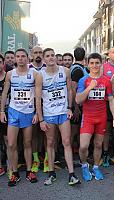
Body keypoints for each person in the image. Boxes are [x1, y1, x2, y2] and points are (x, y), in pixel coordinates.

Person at [35, 48, 80, 186]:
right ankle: (51, 173)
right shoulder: (40, 75)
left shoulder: (65, 71)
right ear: (43, 59)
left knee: (66, 142)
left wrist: (69, 107)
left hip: (62, 113)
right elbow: (37, 99)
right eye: (47, 56)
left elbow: (70, 90)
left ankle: (71, 174)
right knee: (50, 143)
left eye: (52, 55)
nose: (50, 58)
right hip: (49, 114)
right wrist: (41, 119)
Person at [76, 53, 114, 181]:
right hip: (88, 117)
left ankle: (95, 167)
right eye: (92, 63)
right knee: (83, 146)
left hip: (102, 117)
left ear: (101, 64)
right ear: (87, 64)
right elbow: (78, 100)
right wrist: (89, 88)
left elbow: (110, 100)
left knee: (98, 144)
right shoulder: (84, 80)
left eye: (97, 63)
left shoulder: (106, 81)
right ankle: (84, 165)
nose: (94, 66)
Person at [1, 48, 38, 187]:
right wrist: (1, 111)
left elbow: (38, 96)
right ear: (15, 59)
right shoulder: (10, 74)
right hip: (13, 111)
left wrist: (37, 113)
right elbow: (5, 94)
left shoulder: (34, 74)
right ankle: (14, 173)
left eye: (23, 56)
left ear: (28, 58)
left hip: (28, 112)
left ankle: (29, 171)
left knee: (27, 143)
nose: (21, 58)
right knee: (11, 144)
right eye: (18, 56)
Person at [28, 46, 47, 173]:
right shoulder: (27, 68)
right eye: (36, 53)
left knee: (48, 134)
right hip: (31, 105)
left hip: (47, 105)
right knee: (33, 134)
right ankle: (35, 159)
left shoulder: (48, 68)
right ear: (32, 54)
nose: (38, 54)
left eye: (40, 52)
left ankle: (46, 159)